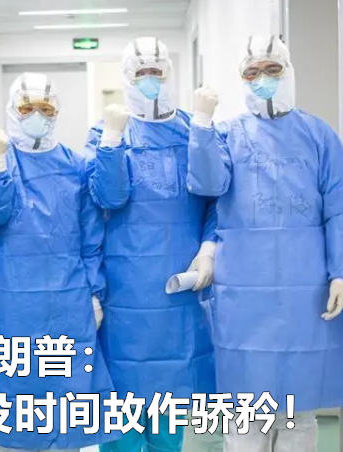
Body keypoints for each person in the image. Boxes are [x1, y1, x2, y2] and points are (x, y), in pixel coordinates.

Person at [186, 34, 343, 452]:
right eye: (251, 72)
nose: (262, 78)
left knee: (299, 412)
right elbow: (207, 184)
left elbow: (341, 208)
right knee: (245, 411)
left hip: (305, 291)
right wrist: (202, 125)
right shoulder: (227, 135)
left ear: (288, 70)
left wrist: (340, 273)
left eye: (271, 69)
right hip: (243, 293)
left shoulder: (318, 135)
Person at [86, 37, 221, 452]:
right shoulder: (105, 134)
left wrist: (209, 248)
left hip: (177, 292)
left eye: (157, 72)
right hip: (123, 292)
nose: (150, 80)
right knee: (119, 418)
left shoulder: (193, 129)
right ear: (127, 77)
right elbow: (105, 199)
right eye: (141, 72)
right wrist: (112, 141)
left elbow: (216, 196)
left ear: (170, 74)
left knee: (167, 416)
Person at [0, 72, 118, 452]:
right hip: (12, 305)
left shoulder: (75, 166)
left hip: (68, 303)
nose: (37, 115)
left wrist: (94, 294)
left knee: (66, 408)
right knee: (15, 404)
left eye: (45, 108)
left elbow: (90, 239)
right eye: (27, 108)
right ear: (12, 109)